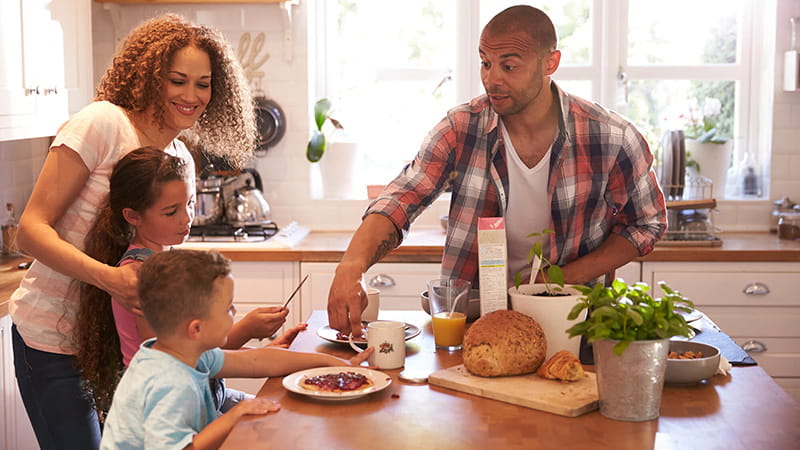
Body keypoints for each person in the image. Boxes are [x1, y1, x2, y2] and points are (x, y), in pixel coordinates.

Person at [327, 5, 667, 335]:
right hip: (475, 324)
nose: (492, 79)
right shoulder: (461, 128)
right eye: (485, 63)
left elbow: (646, 223)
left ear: (550, 63)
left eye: (509, 66)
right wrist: (351, 266)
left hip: (575, 324)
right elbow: (402, 198)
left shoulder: (610, 136)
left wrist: (563, 278)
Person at [9, 14, 256, 449]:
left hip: (111, 347)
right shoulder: (102, 124)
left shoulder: (181, 159)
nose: (191, 96)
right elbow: (29, 231)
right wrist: (110, 279)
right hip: (51, 340)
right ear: (150, 76)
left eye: (203, 84)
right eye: (178, 80)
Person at [74, 147, 303, 417]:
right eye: (171, 212)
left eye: (190, 204)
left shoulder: (164, 260)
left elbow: (197, 346)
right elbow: (181, 358)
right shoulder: (141, 278)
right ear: (133, 216)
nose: (186, 218)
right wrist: (248, 335)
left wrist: (262, 351)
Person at [100, 249, 372, 449]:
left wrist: (330, 362)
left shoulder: (185, 351)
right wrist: (235, 416)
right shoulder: (169, 383)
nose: (234, 312)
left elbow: (257, 360)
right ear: (196, 329)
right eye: (228, 308)